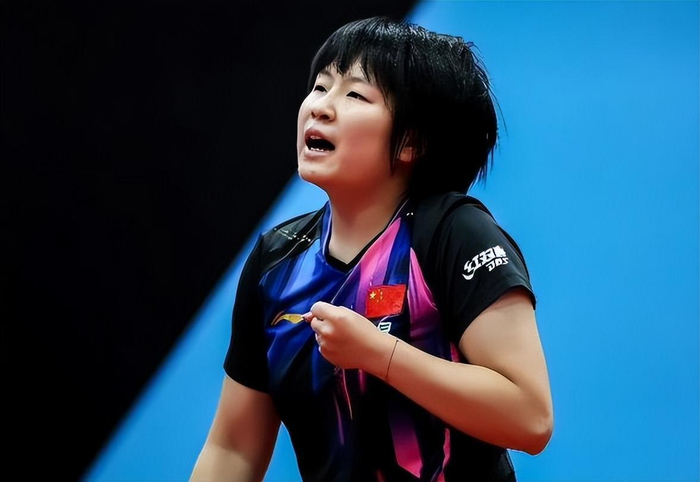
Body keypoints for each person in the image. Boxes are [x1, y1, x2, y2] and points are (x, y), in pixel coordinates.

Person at [191, 16, 553, 482]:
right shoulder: (276, 261)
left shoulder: (455, 233)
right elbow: (233, 449)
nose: (321, 108)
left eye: (355, 95)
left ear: (411, 141)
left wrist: (379, 354)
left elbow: (530, 417)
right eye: (320, 87)